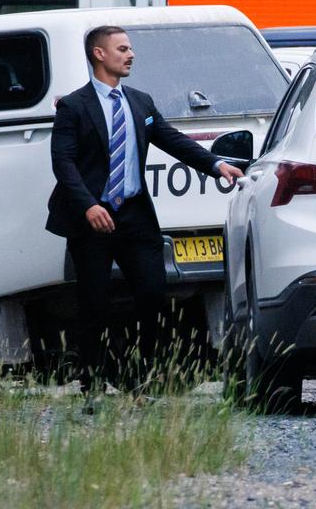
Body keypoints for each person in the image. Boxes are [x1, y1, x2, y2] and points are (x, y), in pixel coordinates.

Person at [46, 25, 243, 404]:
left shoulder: (140, 102)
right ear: (99, 55)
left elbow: (173, 140)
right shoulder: (74, 106)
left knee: (153, 293)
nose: (131, 54)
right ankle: (93, 386)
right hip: (93, 217)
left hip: (135, 216)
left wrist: (216, 164)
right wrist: (88, 205)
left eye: (130, 48)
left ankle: (143, 382)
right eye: (122, 49)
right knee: (94, 302)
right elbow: (63, 162)